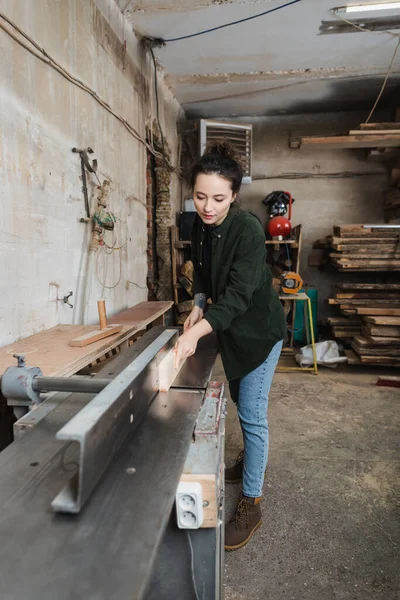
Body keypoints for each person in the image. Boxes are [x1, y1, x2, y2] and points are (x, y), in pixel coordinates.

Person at [174, 141, 286, 551]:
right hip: (233, 333)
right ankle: (246, 465)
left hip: (258, 332)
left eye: (219, 198)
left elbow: (238, 298)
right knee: (241, 399)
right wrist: (198, 304)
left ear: (234, 194)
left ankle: (252, 503)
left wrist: (195, 332)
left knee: (254, 415)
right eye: (200, 196)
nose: (208, 206)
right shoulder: (199, 225)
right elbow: (200, 272)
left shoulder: (248, 231)